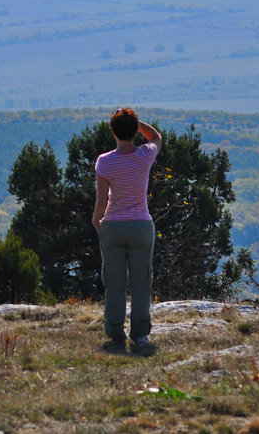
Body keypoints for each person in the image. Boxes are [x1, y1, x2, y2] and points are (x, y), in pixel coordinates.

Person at [93, 107, 162, 355]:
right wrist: (136, 123)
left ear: (112, 132)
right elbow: (156, 138)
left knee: (113, 282)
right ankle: (140, 334)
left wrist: (96, 218)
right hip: (141, 225)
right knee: (141, 281)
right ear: (134, 131)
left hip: (112, 225)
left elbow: (102, 201)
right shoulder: (144, 155)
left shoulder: (104, 161)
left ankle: (114, 332)